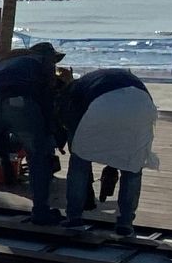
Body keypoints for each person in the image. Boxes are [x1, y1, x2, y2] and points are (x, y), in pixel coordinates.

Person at [0, 42, 66, 224]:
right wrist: (51, 129)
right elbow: (47, 98)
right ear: (49, 57)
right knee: (37, 155)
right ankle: (41, 212)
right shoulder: (42, 62)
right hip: (19, 101)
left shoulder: (5, 63)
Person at [60, 69, 158, 237]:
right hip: (141, 105)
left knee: (79, 164)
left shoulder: (74, 92)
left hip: (101, 105)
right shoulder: (94, 80)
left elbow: (72, 127)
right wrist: (113, 166)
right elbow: (117, 137)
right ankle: (125, 223)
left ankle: (74, 218)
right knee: (132, 167)